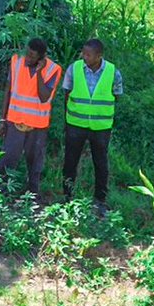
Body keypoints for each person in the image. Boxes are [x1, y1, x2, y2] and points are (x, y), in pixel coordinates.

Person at [62, 39, 124, 218]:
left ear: (99, 56)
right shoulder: (74, 69)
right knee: (70, 162)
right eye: (83, 53)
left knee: (101, 164)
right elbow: (66, 94)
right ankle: (67, 199)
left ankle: (100, 201)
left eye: (88, 54)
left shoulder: (113, 73)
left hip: (101, 127)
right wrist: (67, 121)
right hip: (76, 124)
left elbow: (116, 96)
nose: (84, 56)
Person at [0, 38, 63, 199]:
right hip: (15, 121)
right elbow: (8, 90)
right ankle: (1, 192)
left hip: (37, 125)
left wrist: (40, 72)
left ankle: (32, 195)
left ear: (42, 58)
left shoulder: (52, 70)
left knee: (35, 162)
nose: (28, 58)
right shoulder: (16, 61)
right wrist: (2, 119)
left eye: (32, 56)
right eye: (27, 54)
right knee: (8, 158)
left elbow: (44, 97)